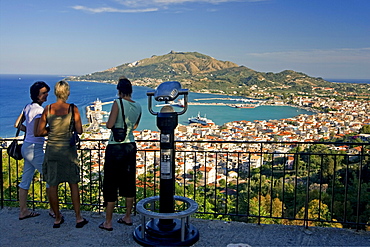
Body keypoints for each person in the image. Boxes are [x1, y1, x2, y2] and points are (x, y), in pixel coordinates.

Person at [36, 80, 88, 228]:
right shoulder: (73, 109)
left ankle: (57, 217)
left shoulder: (48, 109)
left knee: (52, 184)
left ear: (55, 92)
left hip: (52, 151)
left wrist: (51, 130)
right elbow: (79, 130)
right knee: (73, 184)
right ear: (68, 92)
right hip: (68, 152)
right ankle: (78, 217)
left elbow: (39, 131)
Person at [99, 76, 142, 231]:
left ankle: (108, 222)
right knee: (129, 181)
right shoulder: (138, 105)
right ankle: (128, 216)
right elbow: (135, 126)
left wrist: (110, 123)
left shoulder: (117, 103)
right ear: (130, 90)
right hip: (130, 146)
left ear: (119, 90)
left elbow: (110, 124)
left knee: (111, 182)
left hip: (115, 147)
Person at [15, 81, 54, 220]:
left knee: (25, 180)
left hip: (26, 146)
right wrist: (52, 131)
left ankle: (23, 210)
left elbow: (17, 124)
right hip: (34, 148)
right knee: (50, 177)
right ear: (37, 95)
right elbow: (39, 132)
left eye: (46, 92)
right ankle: (53, 210)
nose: (46, 95)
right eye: (44, 93)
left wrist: (29, 131)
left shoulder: (28, 107)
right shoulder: (39, 111)